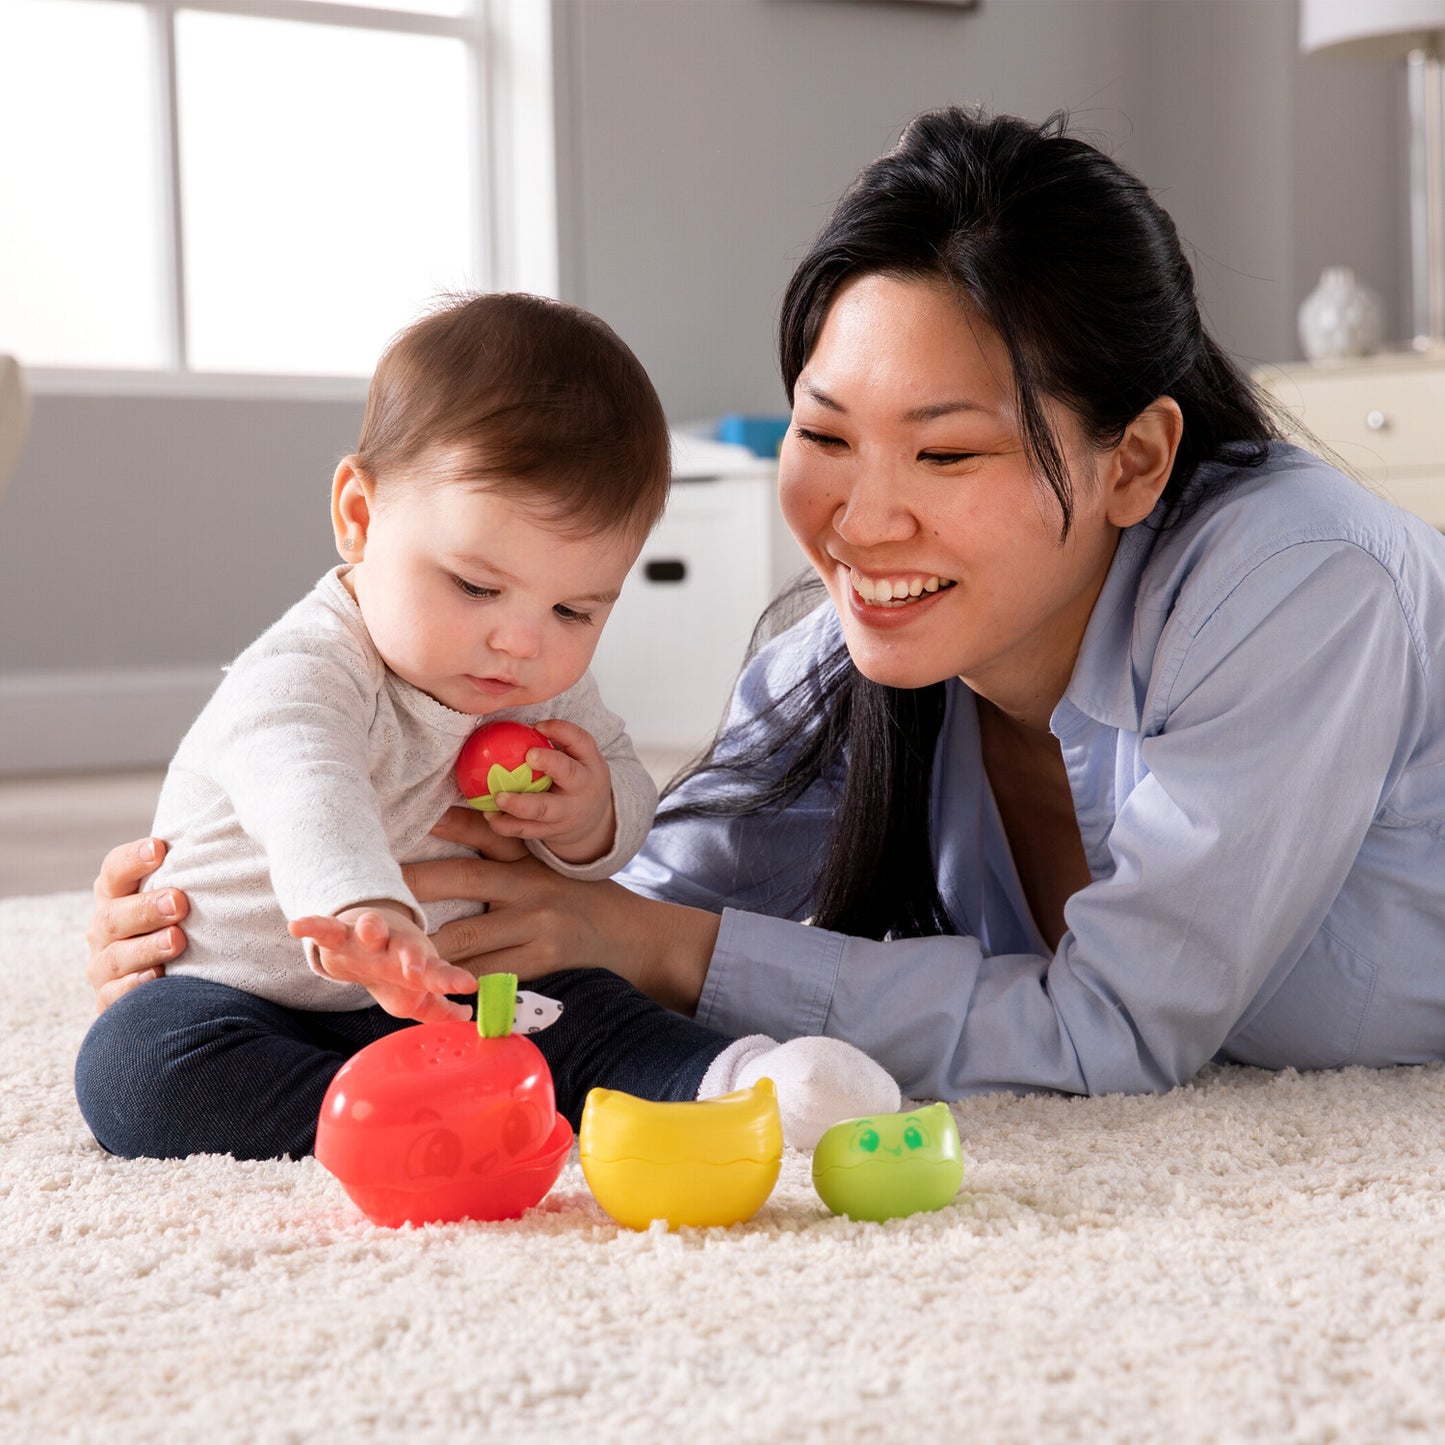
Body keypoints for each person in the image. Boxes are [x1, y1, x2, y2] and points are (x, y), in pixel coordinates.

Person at [86, 106, 1445, 1111]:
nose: (861, 518)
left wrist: (665, 951)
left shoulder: (1294, 585)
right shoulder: (841, 666)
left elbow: (1116, 1029)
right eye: (825, 434)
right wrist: (225, 932)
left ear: (1133, 460)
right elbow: (605, 906)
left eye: (945, 452)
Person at [74, 292, 899, 1162]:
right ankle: (406, 1116)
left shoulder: (534, 682)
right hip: (251, 995)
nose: (520, 642)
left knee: (594, 1004)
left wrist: (589, 816)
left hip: (464, 991)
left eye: (575, 609)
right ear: (360, 517)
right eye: (475, 586)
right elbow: (307, 792)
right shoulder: (304, 669)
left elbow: (625, 790)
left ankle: (744, 1083)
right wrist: (365, 912)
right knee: (137, 1068)